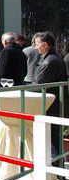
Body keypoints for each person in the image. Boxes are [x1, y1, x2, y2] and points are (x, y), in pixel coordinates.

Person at [34, 31, 68, 159]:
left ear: (45, 45)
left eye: (37, 44)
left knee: (52, 137)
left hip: (51, 105)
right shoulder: (52, 58)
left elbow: (39, 84)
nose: (36, 47)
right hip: (54, 103)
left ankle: (55, 165)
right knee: (54, 136)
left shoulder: (50, 61)